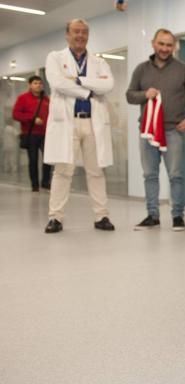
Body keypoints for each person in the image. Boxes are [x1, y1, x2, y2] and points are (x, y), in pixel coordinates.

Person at [43, 19, 115, 233]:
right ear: (67, 34)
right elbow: (58, 83)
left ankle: (101, 216)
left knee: (96, 171)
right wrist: (89, 90)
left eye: (84, 32)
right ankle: (55, 217)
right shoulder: (55, 57)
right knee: (63, 170)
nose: (80, 36)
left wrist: (79, 80)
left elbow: (108, 84)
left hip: (93, 122)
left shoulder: (99, 62)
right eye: (76, 32)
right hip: (67, 122)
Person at [126, 28, 185, 231]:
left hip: (174, 131)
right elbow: (129, 95)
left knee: (176, 175)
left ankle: (177, 217)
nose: (165, 48)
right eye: (161, 44)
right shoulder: (141, 69)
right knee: (150, 175)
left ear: (173, 46)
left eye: (169, 45)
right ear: (153, 44)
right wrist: (144, 95)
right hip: (147, 132)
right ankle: (152, 216)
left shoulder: (183, 69)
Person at [12, 75, 52, 191]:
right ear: (30, 85)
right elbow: (15, 115)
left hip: (45, 134)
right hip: (31, 134)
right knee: (33, 160)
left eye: (40, 83)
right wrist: (32, 118)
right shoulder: (23, 98)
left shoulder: (46, 99)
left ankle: (45, 182)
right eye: (35, 83)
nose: (38, 85)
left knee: (48, 159)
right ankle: (34, 185)